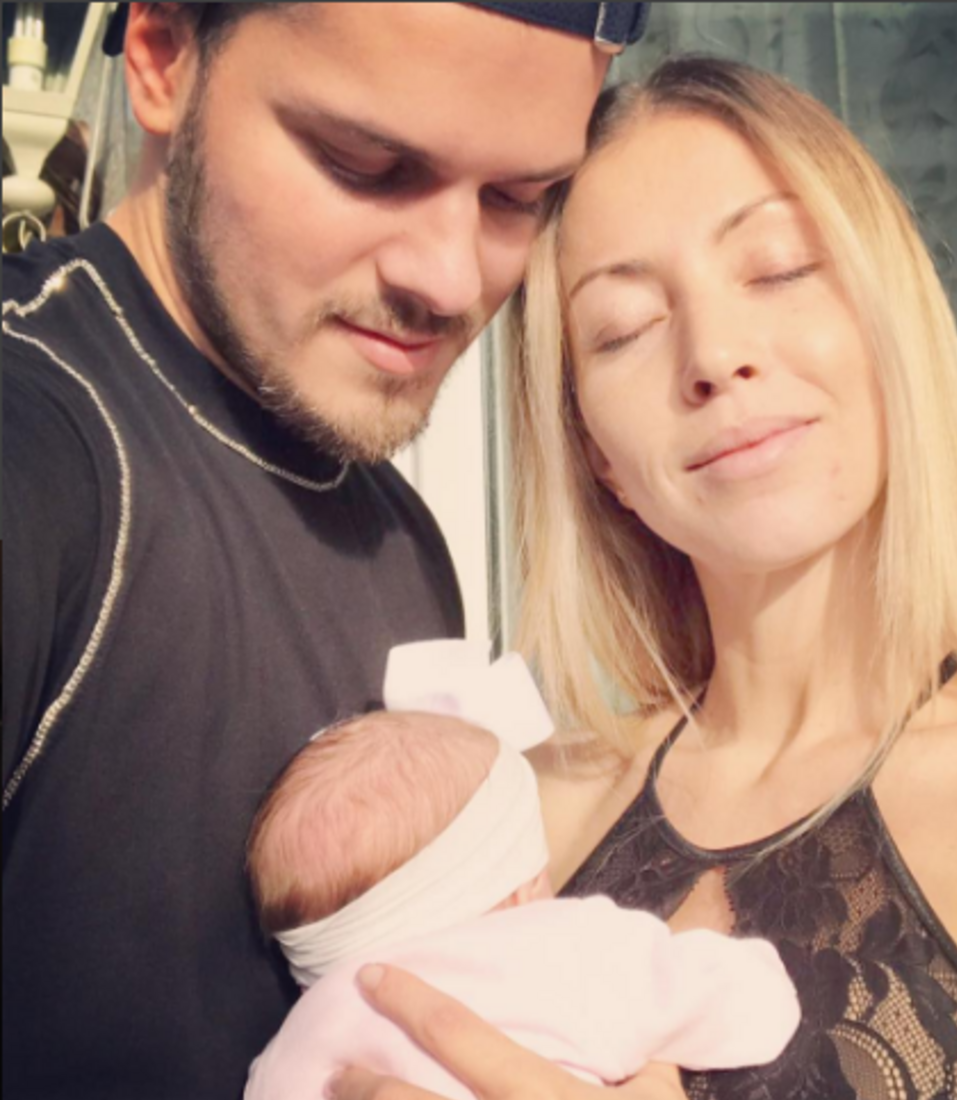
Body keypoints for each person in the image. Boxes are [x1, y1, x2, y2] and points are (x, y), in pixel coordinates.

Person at [328, 56, 957, 1100]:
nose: (713, 355)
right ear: (594, 451)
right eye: (624, 328)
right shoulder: (521, 823)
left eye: (777, 268)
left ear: (890, 317)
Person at [1, 4, 651, 1098]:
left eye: (516, 198)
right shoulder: (34, 445)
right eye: (366, 166)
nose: (450, 278)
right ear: (162, 57)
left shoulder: (404, 542)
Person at [243, 682, 800, 1099]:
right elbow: (747, 1006)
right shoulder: (558, 946)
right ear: (520, 888)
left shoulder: (288, 1050)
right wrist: (736, 963)